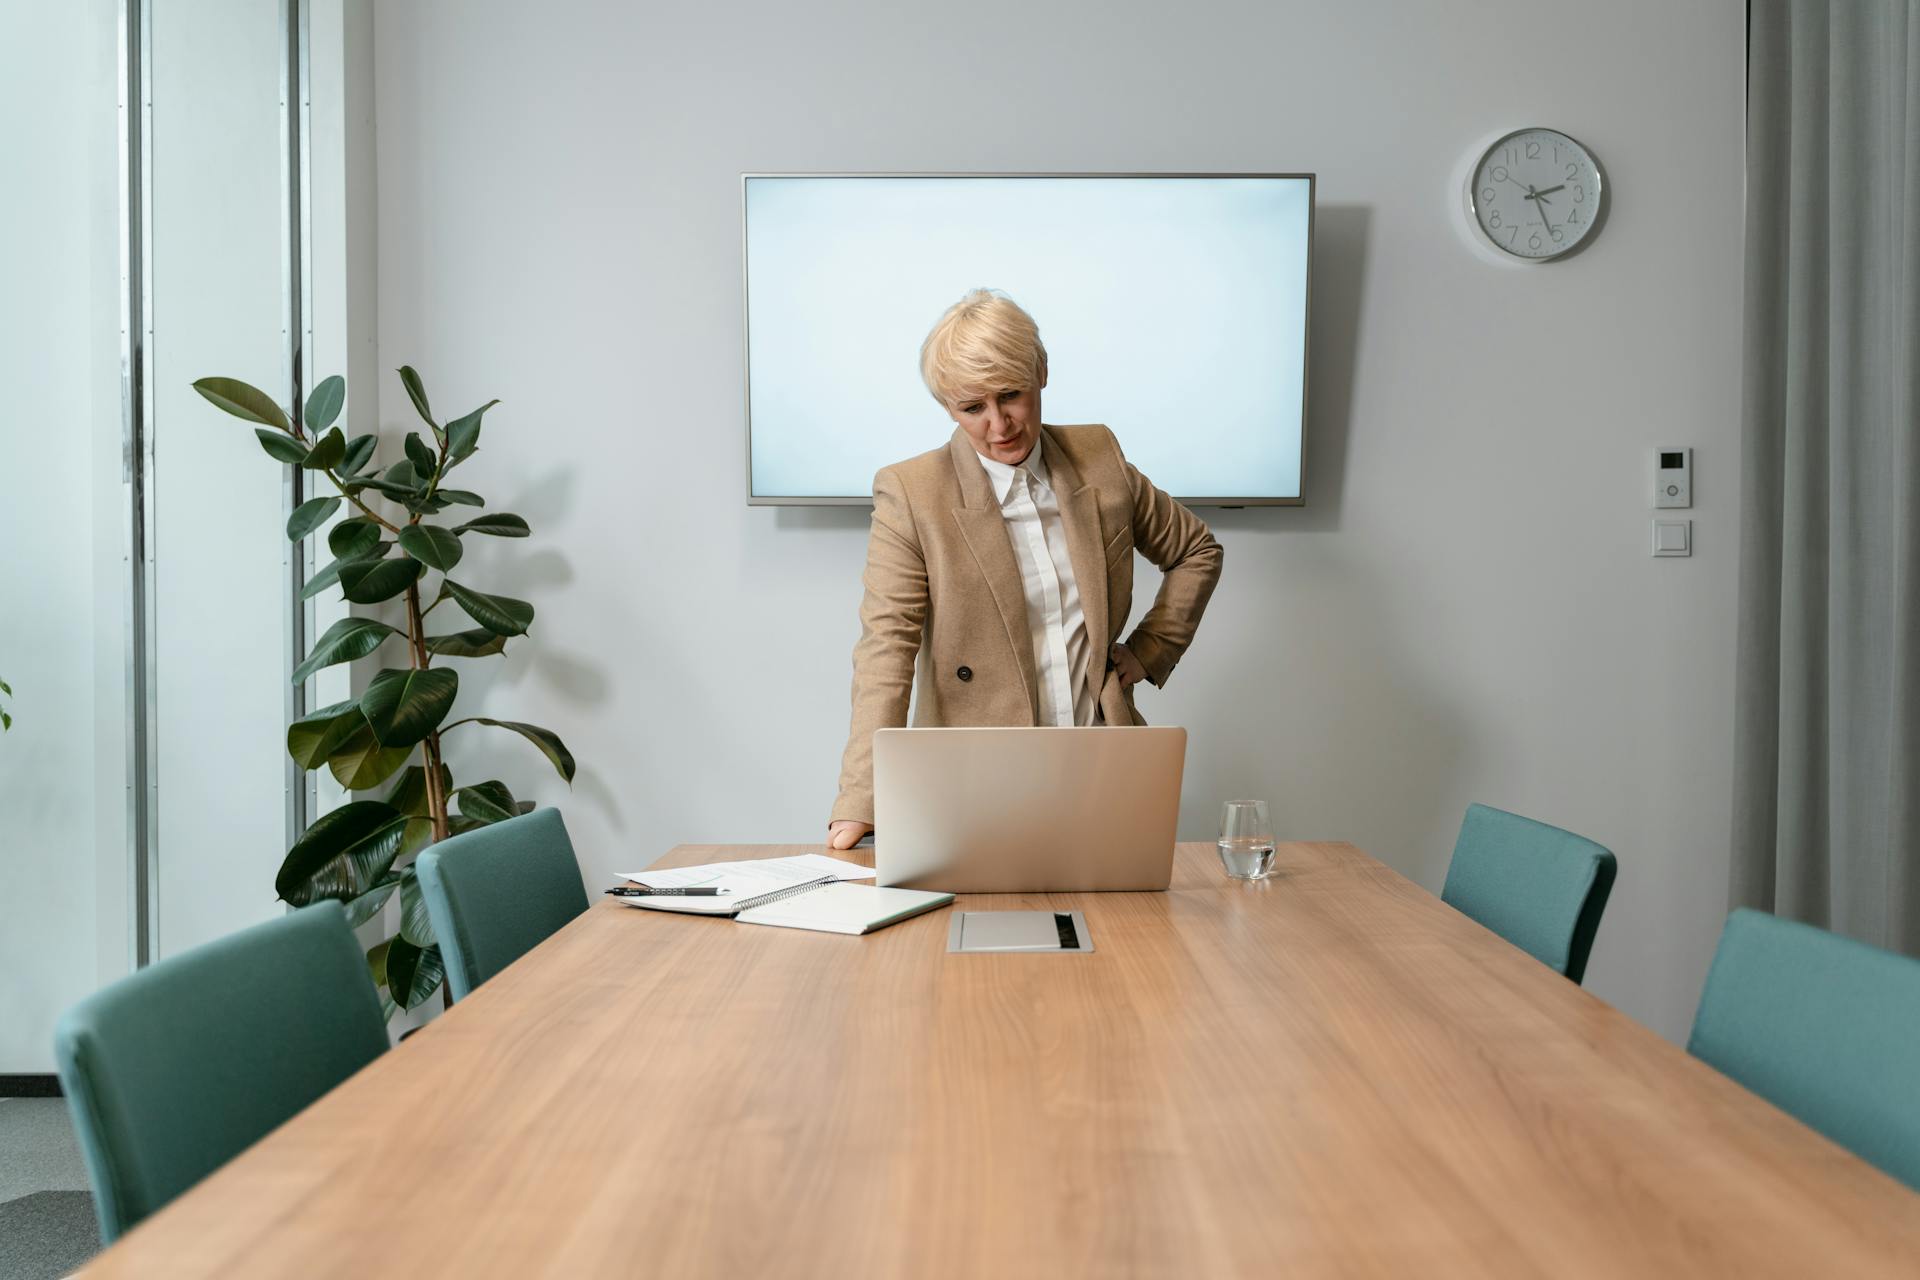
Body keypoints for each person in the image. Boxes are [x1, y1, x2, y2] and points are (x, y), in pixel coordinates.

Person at [826, 289, 1223, 850]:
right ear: (947, 407)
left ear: (1041, 372)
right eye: (972, 408)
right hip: (973, 780)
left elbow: (1196, 550)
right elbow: (886, 647)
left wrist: (1149, 649)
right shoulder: (912, 492)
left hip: (1102, 767)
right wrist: (861, 798)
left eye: (1011, 395)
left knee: (1129, 933)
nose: (998, 424)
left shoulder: (1099, 459)